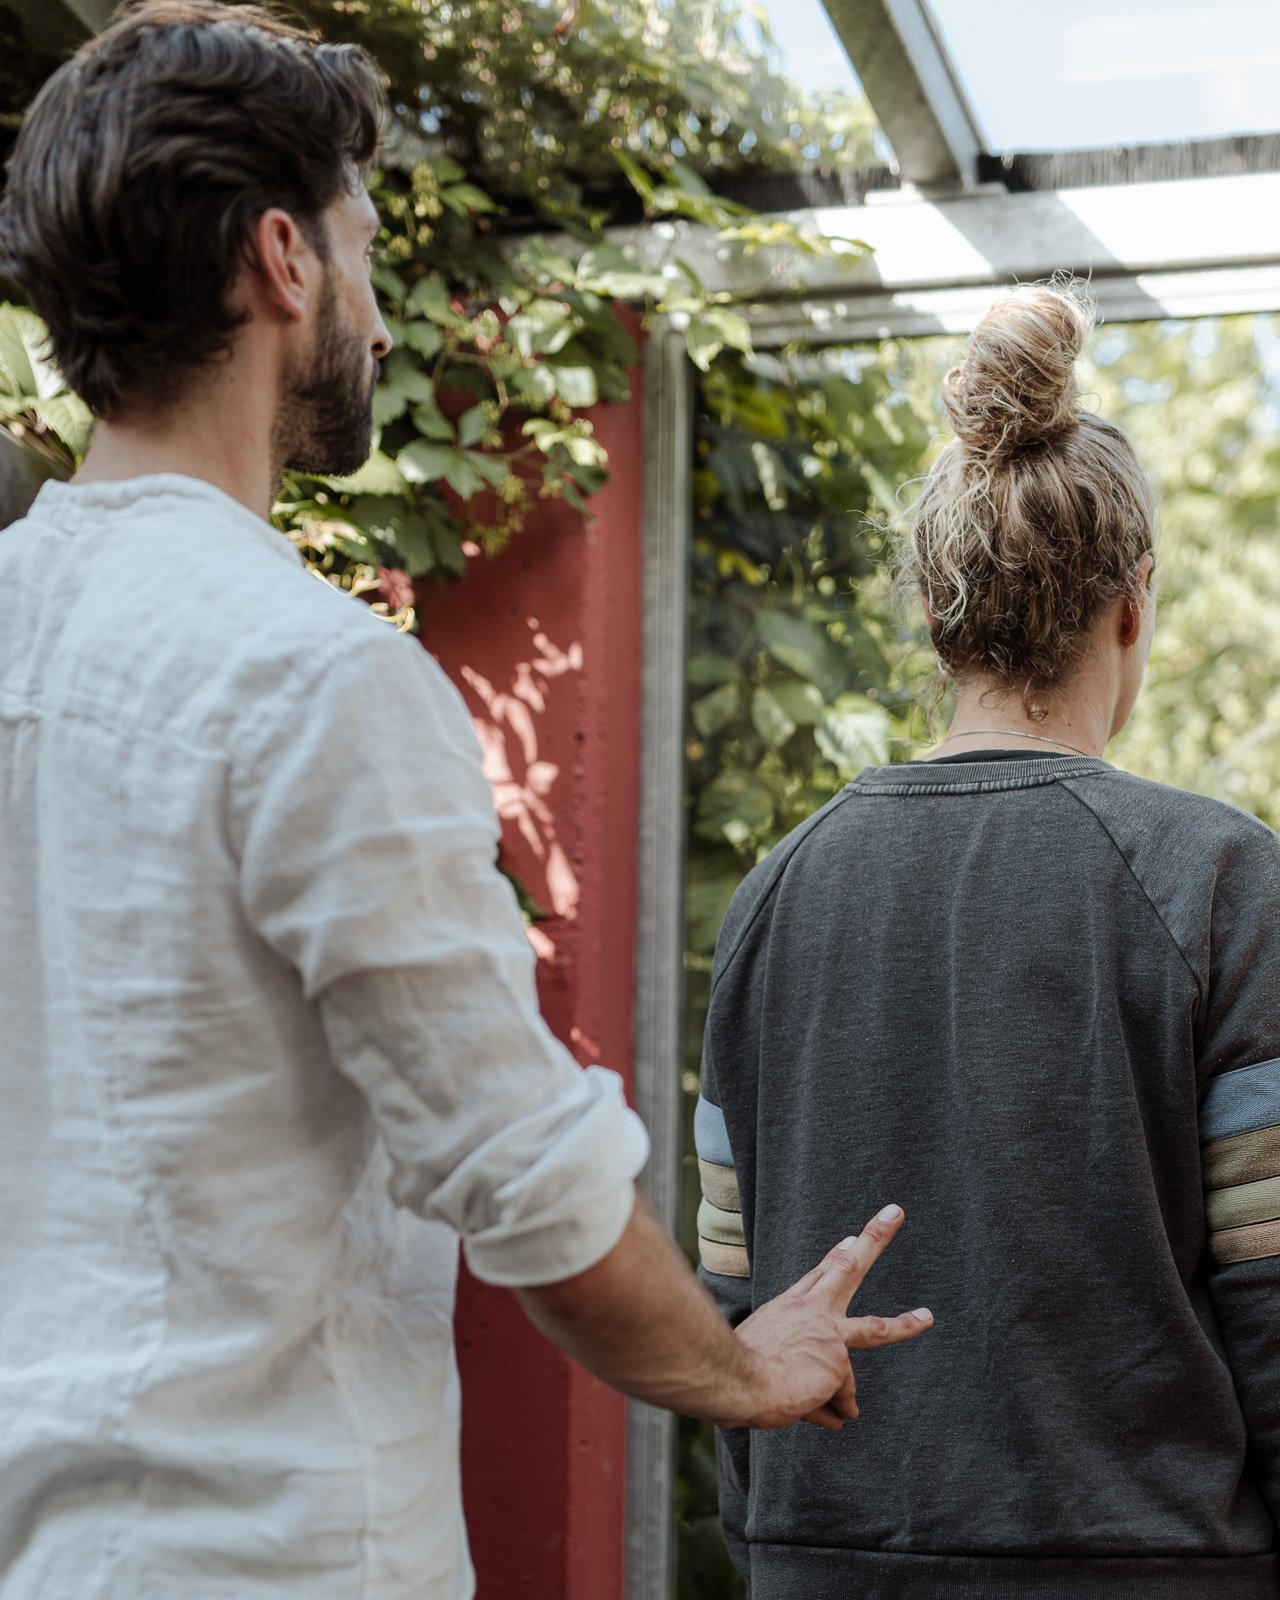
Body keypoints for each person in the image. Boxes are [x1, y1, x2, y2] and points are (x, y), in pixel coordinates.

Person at [0, 5, 935, 1597]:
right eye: (361, 250)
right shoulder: (310, 674)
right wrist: (741, 1365)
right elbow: (526, 1179)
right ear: (282, 264)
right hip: (273, 1560)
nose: (377, 315)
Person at [698, 282, 1280, 1598]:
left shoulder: (773, 894)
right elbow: (1273, 1294)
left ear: (934, 612)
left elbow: (735, 1303)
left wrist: (776, 1540)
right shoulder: (1219, 881)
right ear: (1133, 602)